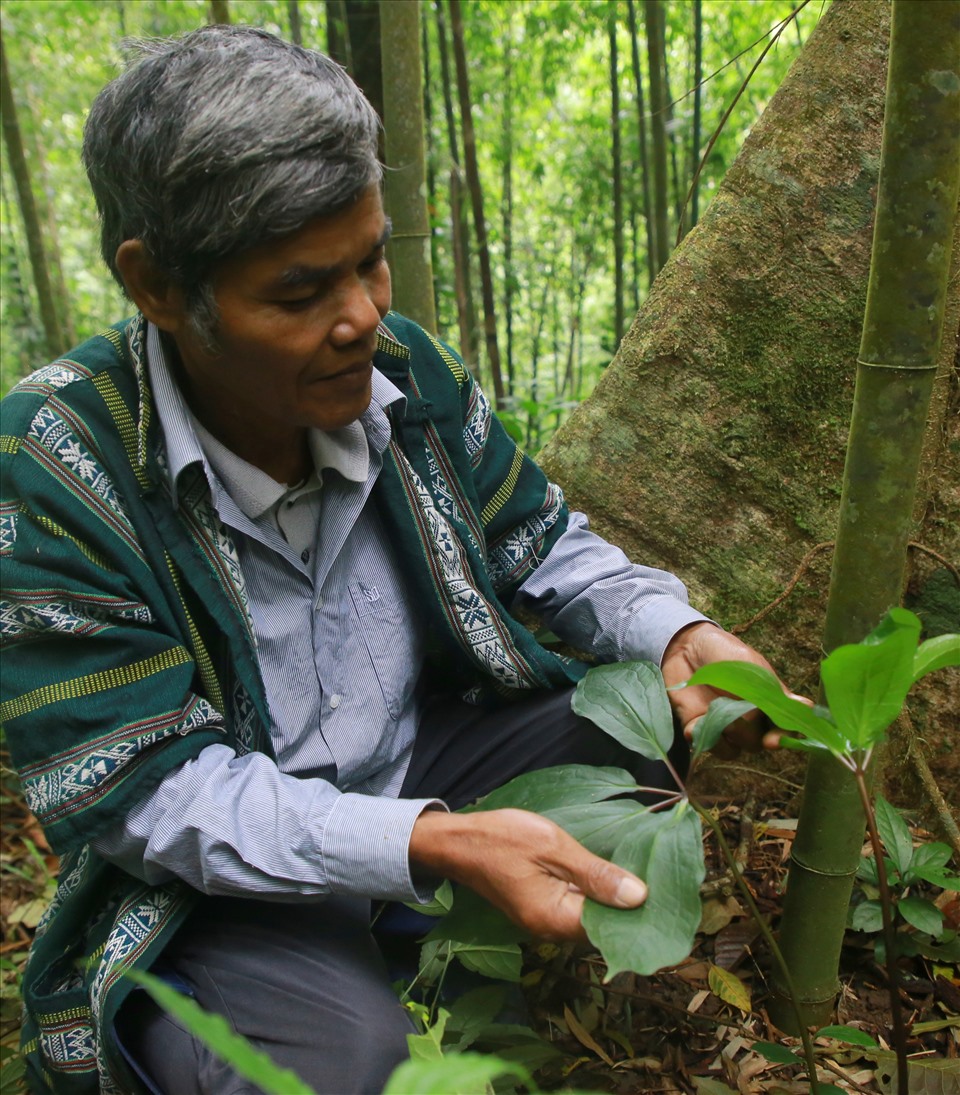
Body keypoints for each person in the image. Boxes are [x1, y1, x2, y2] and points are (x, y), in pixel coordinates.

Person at [0, 25, 787, 1095]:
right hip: (222, 884)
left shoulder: (407, 373)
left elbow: (542, 542)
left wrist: (678, 630)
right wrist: (427, 844)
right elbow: (145, 795)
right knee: (344, 1066)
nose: (363, 317)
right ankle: (325, 990)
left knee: (641, 723)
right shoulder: (60, 459)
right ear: (156, 287)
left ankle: (464, 973)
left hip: (425, 764)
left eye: (371, 261)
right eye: (299, 293)